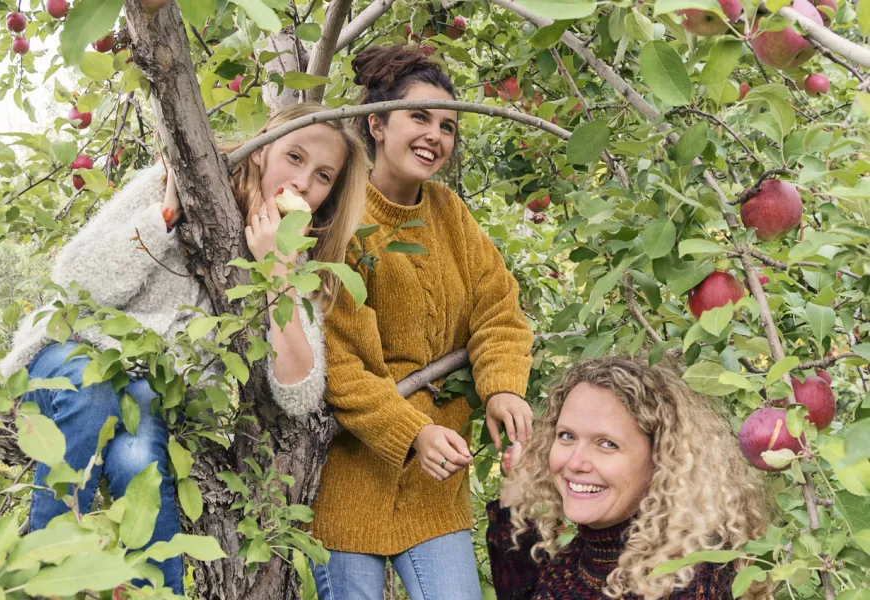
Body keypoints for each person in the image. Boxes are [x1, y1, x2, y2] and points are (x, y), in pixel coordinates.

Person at [0, 102, 368, 594]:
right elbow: (73, 278)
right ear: (262, 151)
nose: (303, 182)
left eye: (323, 176)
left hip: (148, 395)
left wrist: (278, 273)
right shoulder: (171, 183)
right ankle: (43, 572)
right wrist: (164, 218)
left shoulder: (290, 259)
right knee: (95, 392)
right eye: (295, 157)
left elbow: (300, 394)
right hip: (71, 358)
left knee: (139, 460)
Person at [307, 45, 535, 600]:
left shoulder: (449, 212)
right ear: (376, 123)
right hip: (351, 481)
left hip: (437, 486)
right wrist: (412, 433)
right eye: (420, 117)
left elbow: (498, 308)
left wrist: (503, 386)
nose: (436, 135)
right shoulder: (339, 221)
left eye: (448, 126)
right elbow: (338, 364)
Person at [487, 356, 771, 600]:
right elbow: (522, 590)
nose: (575, 462)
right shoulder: (577, 558)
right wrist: (518, 486)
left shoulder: (688, 579)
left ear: (662, 458)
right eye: (566, 436)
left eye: (607, 444)